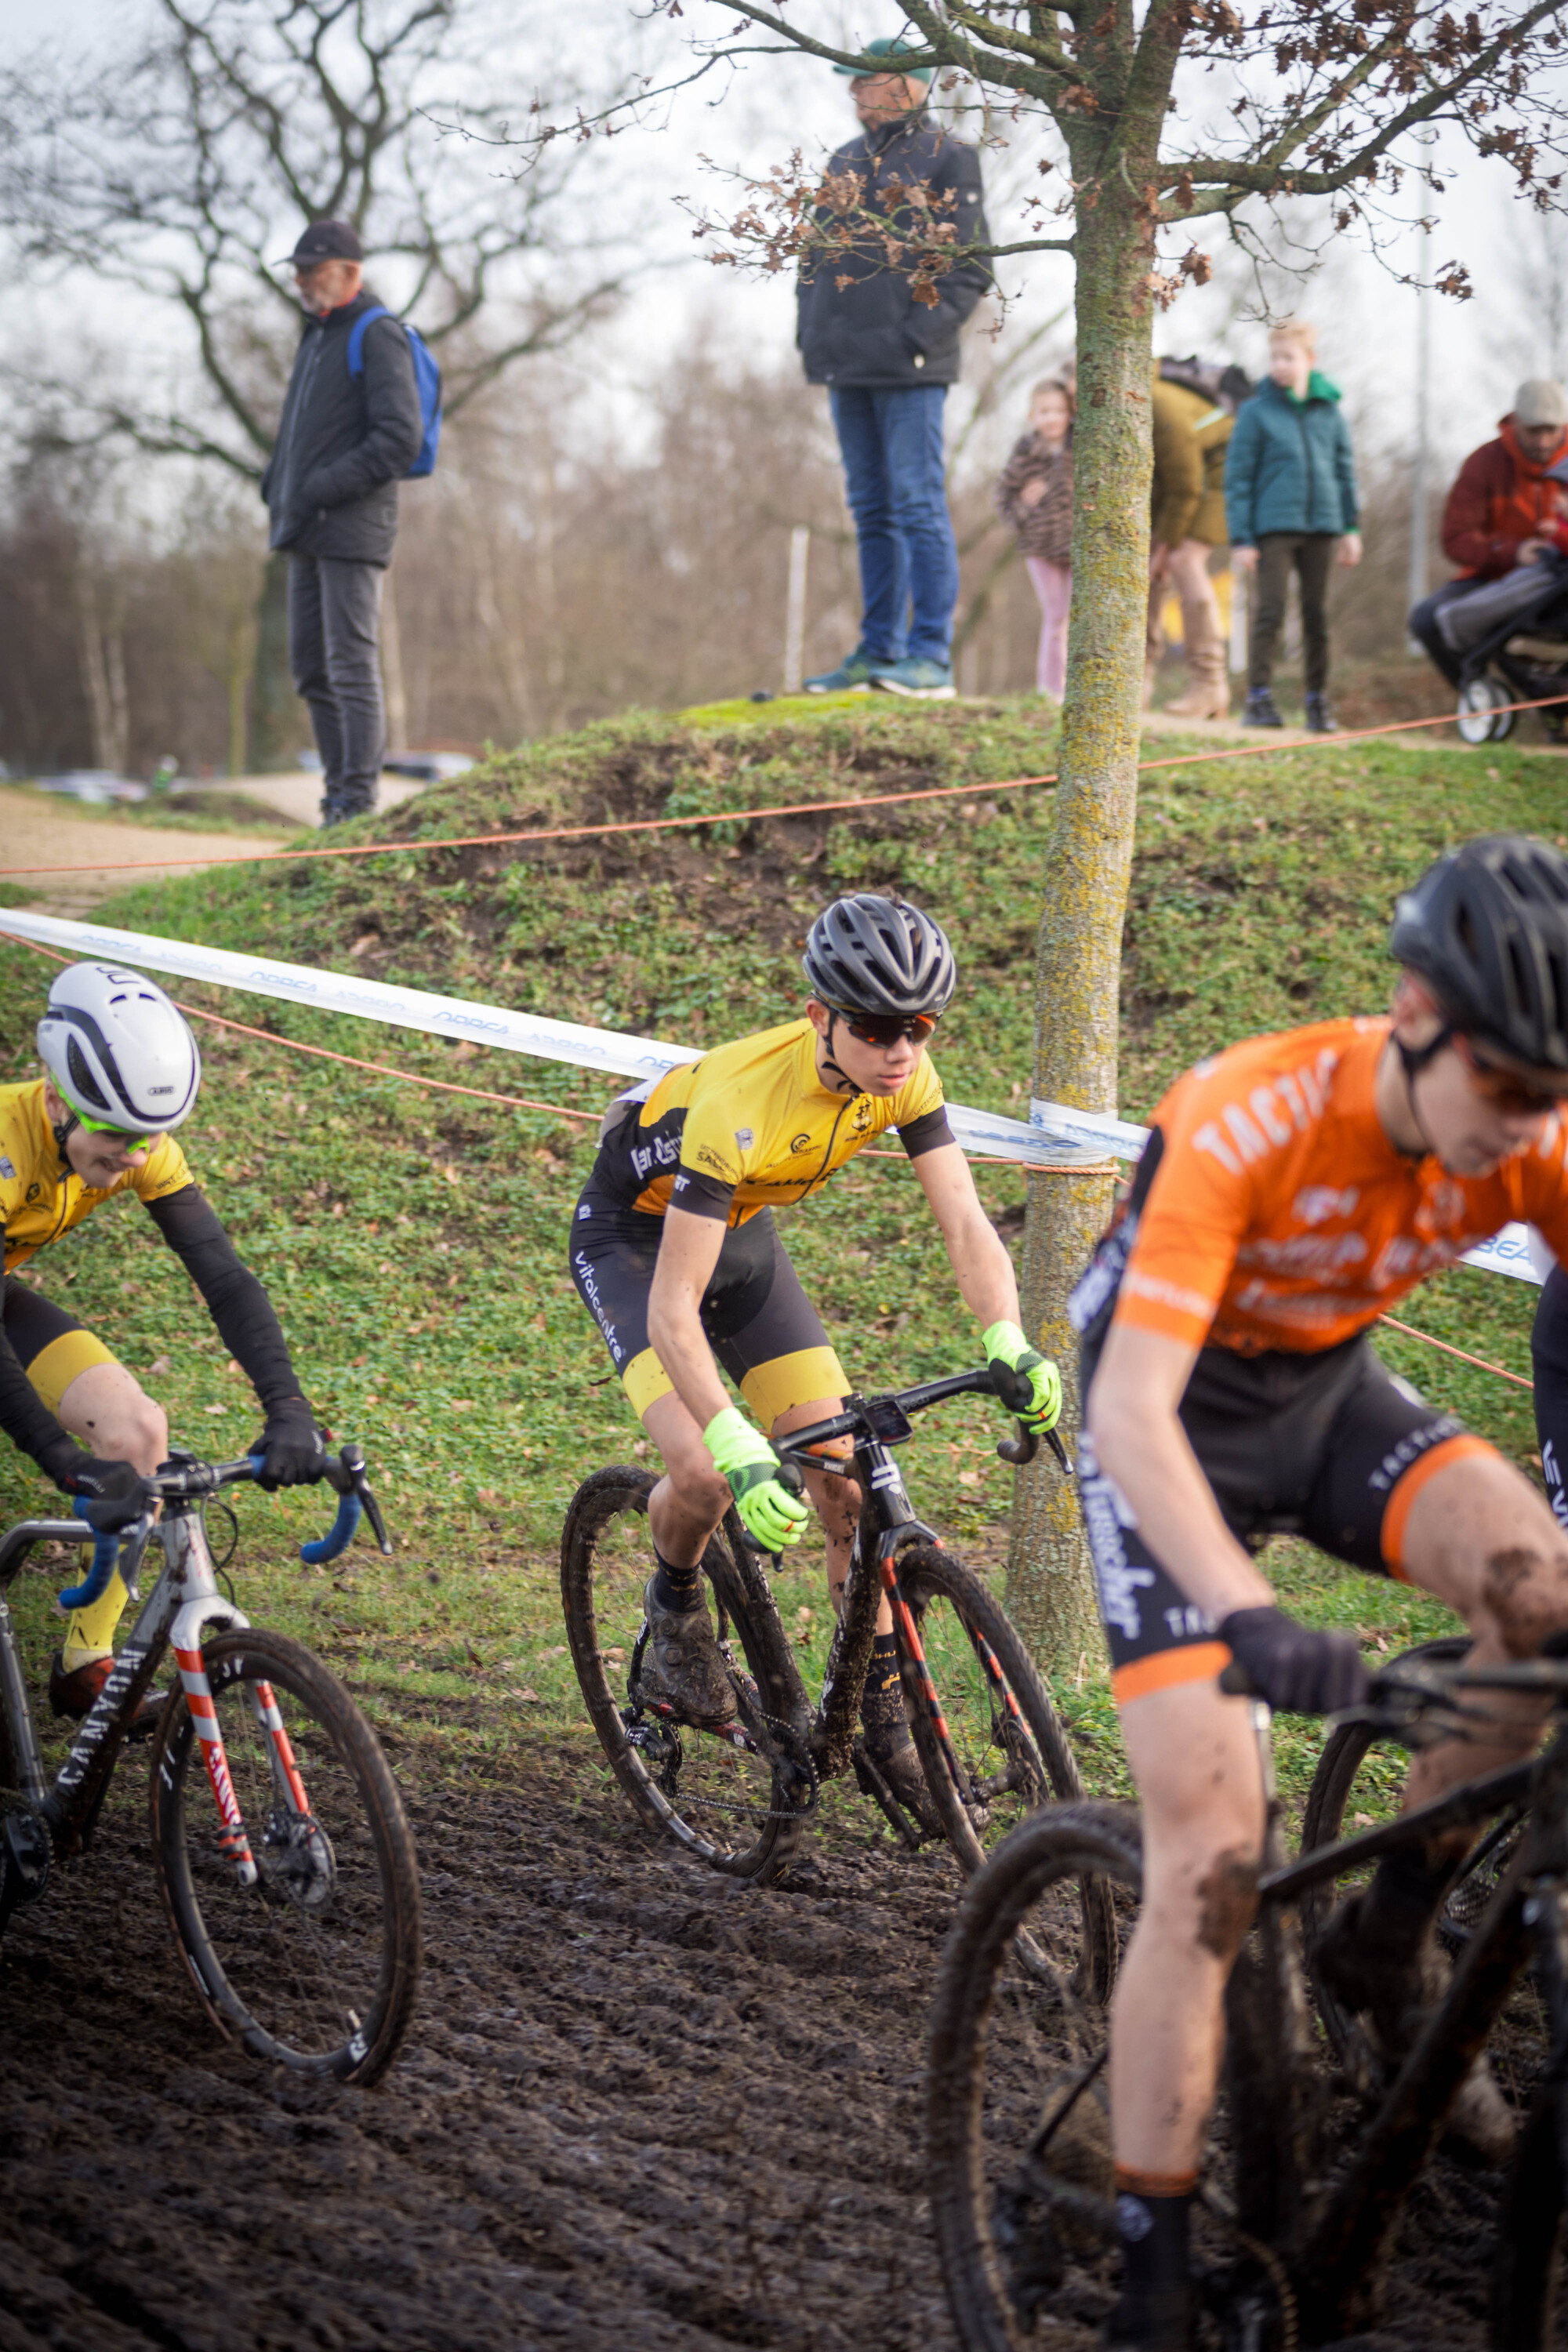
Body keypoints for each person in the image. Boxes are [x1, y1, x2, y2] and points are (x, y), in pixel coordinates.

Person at [1073, 833, 1568, 2350]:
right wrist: (1244, 1615)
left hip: (1329, 1398)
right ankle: (1148, 2256)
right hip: (1168, 1426)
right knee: (1215, 1852)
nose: (1520, 1132)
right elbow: (1130, 1415)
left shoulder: (1536, 1128)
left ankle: (1390, 1932)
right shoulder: (1248, 1114)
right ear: (1417, 1016)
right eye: (1504, 1089)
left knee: (1544, 1600)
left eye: (1548, 1098)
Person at [567, 895, 1062, 1811]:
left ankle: (876, 1726)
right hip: (636, 1249)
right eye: (876, 1028)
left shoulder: (904, 1076)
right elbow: (674, 1309)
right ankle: (675, 1617)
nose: (900, 1050)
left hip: (740, 1236)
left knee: (842, 1478)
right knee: (706, 1475)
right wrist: (731, 1438)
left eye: (916, 1027)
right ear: (818, 1018)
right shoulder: (737, 1100)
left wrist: (1009, 1338)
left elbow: (963, 1221)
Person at [2, 964, 328, 1724]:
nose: (137, 1159)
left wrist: (288, 1406)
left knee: (139, 1430)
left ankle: (86, 1660)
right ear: (55, 1097)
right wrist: (64, 1462)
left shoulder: (136, 1145)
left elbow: (222, 1275)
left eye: (151, 1138)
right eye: (117, 1138)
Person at [798, 39, 991, 701]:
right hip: (844, 365)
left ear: (909, 86)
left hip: (911, 368)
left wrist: (916, 339)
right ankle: (877, 651)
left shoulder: (949, 157)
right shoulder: (841, 161)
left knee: (917, 506)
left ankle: (929, 658)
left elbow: (971, 268)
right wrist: (810, 334)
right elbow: (811, 260)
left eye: (866, 82)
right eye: (851, 83)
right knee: (870, 511)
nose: (854, 92)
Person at [260, 220, 423, 826]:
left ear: (350, 272)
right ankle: (337, 797)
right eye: (298, 271)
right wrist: (277, 482)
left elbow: (398, 439)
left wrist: (322, 486)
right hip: (304, 523)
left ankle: (357, 802)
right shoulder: (317, 336)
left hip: (352, 525)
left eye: (313, 271)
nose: (301, 281)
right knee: (311, 666)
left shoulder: (375, 333)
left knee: (350, 663)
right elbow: (300, 434)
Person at [1225, 318, 1361, 733]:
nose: (1280, 365)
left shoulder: (1330, 412)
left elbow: (1344, 471)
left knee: (1316, 616)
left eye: (1289, 357)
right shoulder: (1255, 411)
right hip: (1273, 528)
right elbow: (1238, 478)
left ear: (1310, 360)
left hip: (1323, 525)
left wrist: (1351, 528)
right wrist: (1242, 538)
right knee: (1270, 611)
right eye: (1274, 357)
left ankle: (1317, 700)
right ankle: (1259, 698)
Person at [1409, 379, 1568, 690]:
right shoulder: (1484, 462)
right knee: (1426, 620)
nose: (1543, 441)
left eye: (1552, 430)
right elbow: (1455, 537)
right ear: (1516, 422)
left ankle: (1549, 697)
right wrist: (1513, 551)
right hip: (1493, 576)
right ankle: (1482, 697)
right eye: (1534, 431)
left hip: (1558, 580)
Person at [1146, 363, 1237, 720]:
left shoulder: (1159, 404)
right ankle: (1139, 681)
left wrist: (1165, 545)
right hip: (1187, 485)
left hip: (1223, 473)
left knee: (1184, 560)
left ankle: (1210, 683)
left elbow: (1186, 486)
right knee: (1150, 566)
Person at [993, 377, 1074, 699]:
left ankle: (1076, 686)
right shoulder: (1025, 452)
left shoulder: (1082, 447)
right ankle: (1051, 688)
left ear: (1070, 413)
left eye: (1058, 410)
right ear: (1031, 416)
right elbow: (1003, 498)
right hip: (1039, 548)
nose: (1051, 418)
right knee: (1055, 616)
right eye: (1043, 411)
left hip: (1077, 547)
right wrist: (1024, 509)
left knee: (1075, 616)